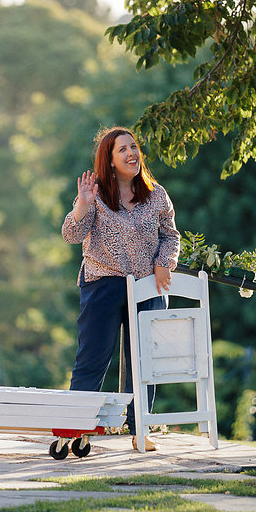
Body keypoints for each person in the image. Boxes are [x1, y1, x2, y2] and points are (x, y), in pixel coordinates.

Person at [62, 126, 180, 451]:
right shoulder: (95, 194)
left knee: (145, 361)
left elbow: (171, 236)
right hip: (103, 284)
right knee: (93, 357)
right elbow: (71, 234)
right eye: (122, 150)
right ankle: (75, 426)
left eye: (134, 147)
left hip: (147, 285)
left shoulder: (156, 194)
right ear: (110, 161)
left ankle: (140, 427)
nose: (131, 154)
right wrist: (83, 205)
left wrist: (163, 263)